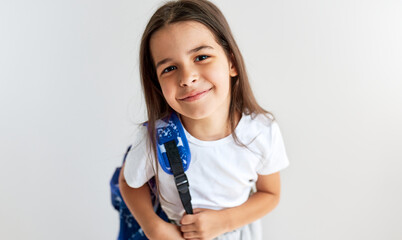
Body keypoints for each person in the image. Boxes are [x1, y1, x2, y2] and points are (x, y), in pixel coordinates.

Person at [118, 0, 290, 239]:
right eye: (169, 68)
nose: (187, 78)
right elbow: (128, 183)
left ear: (231, 62)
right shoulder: (155, 138)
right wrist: (154, 227)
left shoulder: (262, 131)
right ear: (157, 83)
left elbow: (270, 194)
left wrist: (223, 221)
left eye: (201, 57)